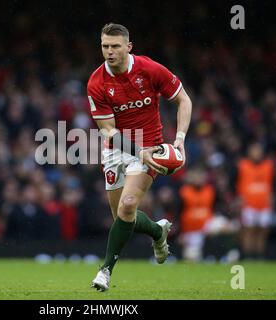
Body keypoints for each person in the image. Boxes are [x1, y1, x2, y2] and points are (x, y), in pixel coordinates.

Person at [87, 23, 192, 291]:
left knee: (128, 206)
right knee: (121, 217)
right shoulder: (97, 82)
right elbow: (108, 130)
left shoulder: (149, 69)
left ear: (128, 47)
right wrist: (137, 151)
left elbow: (184, 100)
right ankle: (158, 231)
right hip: (117, 147)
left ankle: (105, 271)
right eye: (105, 46)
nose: (109, 52)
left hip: (150, 144)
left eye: (115, 46)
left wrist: (179, 140)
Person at [236, 142, 274, 259]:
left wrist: (273, 197)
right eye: (254, 150)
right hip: (248, 204)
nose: (256, 153)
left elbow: (275, 183)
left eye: (258, 151)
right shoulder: (242, 165)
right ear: (249, 152)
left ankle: (259, 256)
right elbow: (235, 182)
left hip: (264, 204)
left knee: (262, 231)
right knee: (249, 231)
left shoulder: (269, 165)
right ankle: (248, 256)